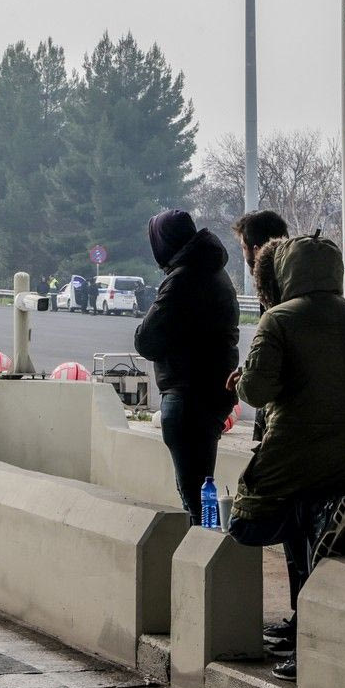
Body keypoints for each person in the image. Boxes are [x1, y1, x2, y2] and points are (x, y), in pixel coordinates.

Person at [225, 235, 345, 680]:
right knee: (328, 561)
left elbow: (259, 390)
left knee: (257, 526)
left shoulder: (278, 321)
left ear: (288, 272)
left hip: (292, 453)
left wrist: (242, 380)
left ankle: (305, 649)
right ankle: (319, 641)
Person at [133, 209, 240, 523]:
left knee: (193, 493)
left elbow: (146, 341)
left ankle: (205, 551)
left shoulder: (182, 280)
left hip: (187, 395)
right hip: (213, 393)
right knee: (202, 483)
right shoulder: (214, 272)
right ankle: (209, 543)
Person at [233, 210, 290, 442]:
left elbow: (256, 388)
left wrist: (248, 376)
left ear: (257, 250)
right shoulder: (300, 282)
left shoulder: (275, 297)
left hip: (284, 420)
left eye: (243, 247)